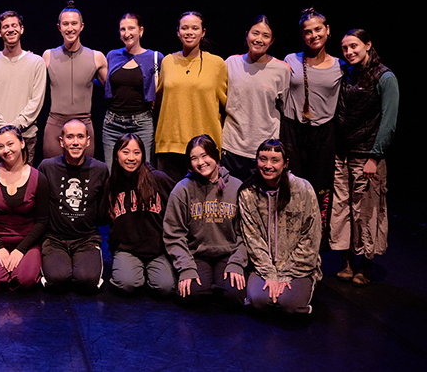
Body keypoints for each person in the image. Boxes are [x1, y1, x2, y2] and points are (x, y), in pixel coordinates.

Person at [330, 29, 399, 286]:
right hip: (342, 153)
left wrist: (375, 155)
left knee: (366, 212)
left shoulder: (385, 77)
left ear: (368, 45)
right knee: (342, 209)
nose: (349, 52)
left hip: (367, 156)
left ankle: (366, 264)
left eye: (354, 46)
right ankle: (347, 260)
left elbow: (389, 121)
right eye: (345, 48)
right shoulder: (347, 74)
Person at [239, 139, 322, 314]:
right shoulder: (248, 194)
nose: (268, 165)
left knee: (289, 305)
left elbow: (311, 237)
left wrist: (286, 274)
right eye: (263, 159)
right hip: (263, 266)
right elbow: (252, 238)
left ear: (285, 163)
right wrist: (270, 274)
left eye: (275, 160)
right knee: (259, 301)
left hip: (298, 267)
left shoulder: (303, 189)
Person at [163, 135, 246, 304]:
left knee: (235, 295)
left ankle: (217, 285)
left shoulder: (237, 187)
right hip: (197, 255)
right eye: (194, 158)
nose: (200, 162)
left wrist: (237, 262)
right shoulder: (182, 190)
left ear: (216, 155)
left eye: (205, 155)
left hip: (227, 255)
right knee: (191, 294)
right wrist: (185, 267)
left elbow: (246, 234)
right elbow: (173, 234)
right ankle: (210, 286)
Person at [280, 8, 342, 234]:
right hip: (292, 131)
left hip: (323, 134)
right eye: (308, 32)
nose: (314, 35)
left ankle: (316, 240)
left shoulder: (340, 66)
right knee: (292, 187)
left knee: (320, 190)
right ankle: (289, 237)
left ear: (327, 30)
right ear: (302, 36)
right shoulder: (290, 60)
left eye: (318, 29)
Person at [0, 125, 49, 290]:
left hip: (26, 242)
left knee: (26, 280)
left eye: (10, 144)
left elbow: (42, 221)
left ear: (22, 143)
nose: (5, 150)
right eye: (0, 146)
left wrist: (21, 249)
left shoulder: (39, 178)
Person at [155, 11, 227, 182]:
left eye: (195, 28)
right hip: (169, 145)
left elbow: (228, 106)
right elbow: (158, 100)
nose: (189, 32)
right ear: (178, 32)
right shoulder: (167, 61)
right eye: (185, 28)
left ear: (203, 32)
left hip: (204, 148)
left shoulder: (217, 64)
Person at [37, 119, 109, 292]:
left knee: (87, 280)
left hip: (86, 239)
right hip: (54, 239)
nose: (75, 142)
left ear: (88, 141)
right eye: (70, 137)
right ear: (61, 141)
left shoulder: (100, 169)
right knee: (58, 278)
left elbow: (102, 209)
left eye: (80, 137)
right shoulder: (47, 167)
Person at [103, 134, 175, 295]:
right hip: (127, 249)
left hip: (157, 250)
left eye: (137, 152)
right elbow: (103, 216)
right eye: (126, 152)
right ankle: (134, 271)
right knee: (127, 284)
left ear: (143, 155)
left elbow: (180, 202)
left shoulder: (157, 179)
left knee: (166, 288)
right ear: (116, 155)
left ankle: (149, 273)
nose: (131, 158)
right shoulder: (112, 183)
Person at [222, 15, 290, 180]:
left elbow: (285, 108)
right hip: (232, 147)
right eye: (255, 33)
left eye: (265, 36)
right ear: (247, 35)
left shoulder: (282, 70)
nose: (259, 39)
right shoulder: (231, 63)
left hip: (265, 151)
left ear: (272, 41)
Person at [0, 11, 46, 167]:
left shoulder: (37, 63)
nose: (10, 29)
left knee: (22, 185)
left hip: (25, 135)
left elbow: (36, 101)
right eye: (5, 27)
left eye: (14, 25)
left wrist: (15, 127)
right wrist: (5, 128)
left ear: (21, 29)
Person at [42, 1, 108, 159]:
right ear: (59, 27)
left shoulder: (96, 57)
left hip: (84, 123)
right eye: (65, 24)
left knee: (85, 177)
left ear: (82, 26)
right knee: (52, 175)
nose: (70, 28)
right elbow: (32, 85)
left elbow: (113, 89)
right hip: (55, 124)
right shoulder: (48, 56)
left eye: (74, 23)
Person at [102, 13, 161, 171]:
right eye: (123, 29)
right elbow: (100, 80)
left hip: (142, 123)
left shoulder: (155, 57)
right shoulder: (112, 55)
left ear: (141, 30)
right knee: (111, 173)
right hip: (112, 124)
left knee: (146, 172)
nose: (127, 33)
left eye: (131, 28)